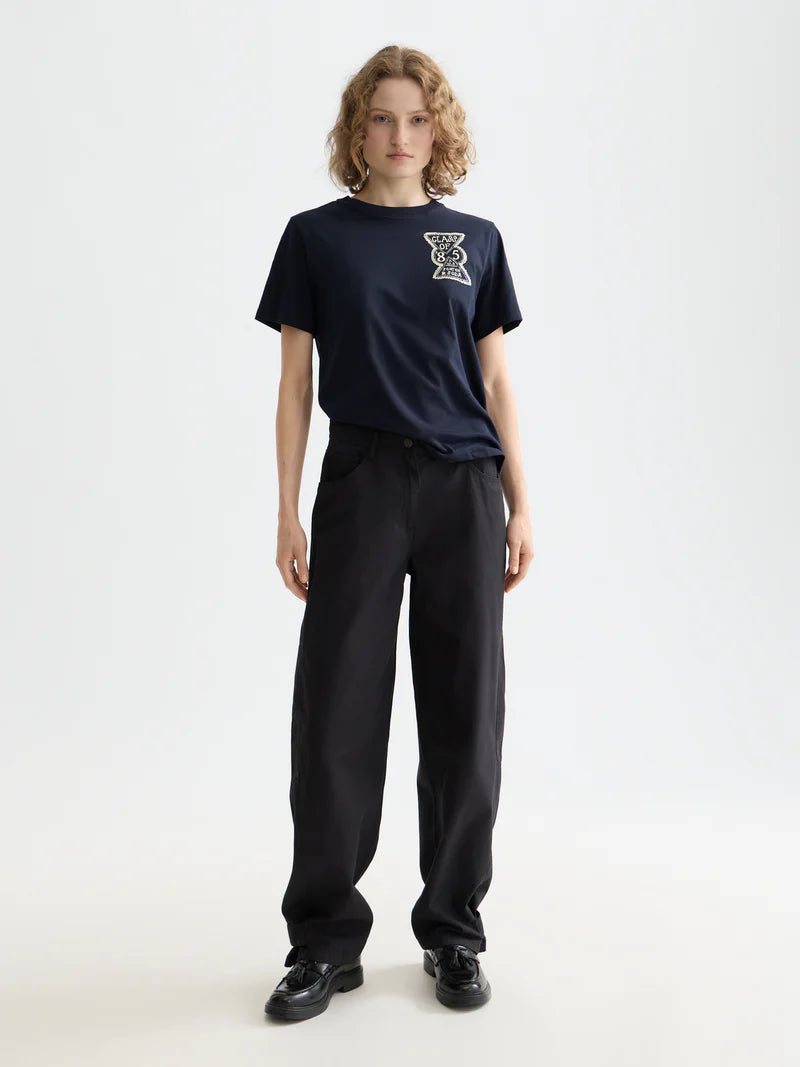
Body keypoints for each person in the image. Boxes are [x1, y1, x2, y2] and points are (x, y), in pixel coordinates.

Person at [255, 45, 533, 1021]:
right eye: (381, 118)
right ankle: (323, 941)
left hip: (464, 486)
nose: (400, 135)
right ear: (357, 129)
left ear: (438, 129)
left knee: (465, 709)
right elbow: (295, 385)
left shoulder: (474, 240)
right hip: (361, 481)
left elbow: (494, 382)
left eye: (417, 118)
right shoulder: (315, 238)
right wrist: (287, 507)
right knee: (335, 707)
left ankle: (453, 929)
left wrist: (521, 502)